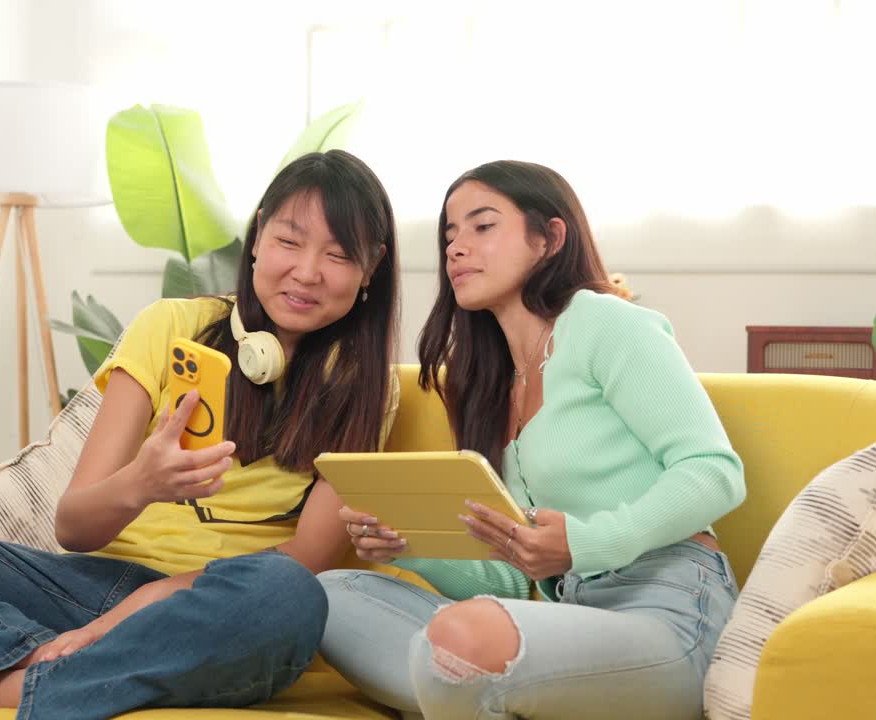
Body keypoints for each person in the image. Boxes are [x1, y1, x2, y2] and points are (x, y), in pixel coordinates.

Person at [0, 149, 399, 719]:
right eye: (290, 240)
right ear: (258, 238)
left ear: (369, 273)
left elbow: (302, 562)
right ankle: (19, 664)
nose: (308, 271)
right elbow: (74, 527)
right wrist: (140, 485)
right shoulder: (171, 326)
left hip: (209, 612)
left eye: (339, 255)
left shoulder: (367, 390)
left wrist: (108, 630)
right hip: (80, 587)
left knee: (288, 596)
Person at [318, 160, 745, 720]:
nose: (456, 249)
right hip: (558, 618)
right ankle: (480, 686)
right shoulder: (487, 379)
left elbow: (714, 471)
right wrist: (408, 545)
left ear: (549, 238)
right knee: (329, 594)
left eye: (483, 226)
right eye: (449, 235)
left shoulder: (607, 325)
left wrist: (586, 544)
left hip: (666, 611)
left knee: (459, 640)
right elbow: (512, 572)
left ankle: (467, 682)